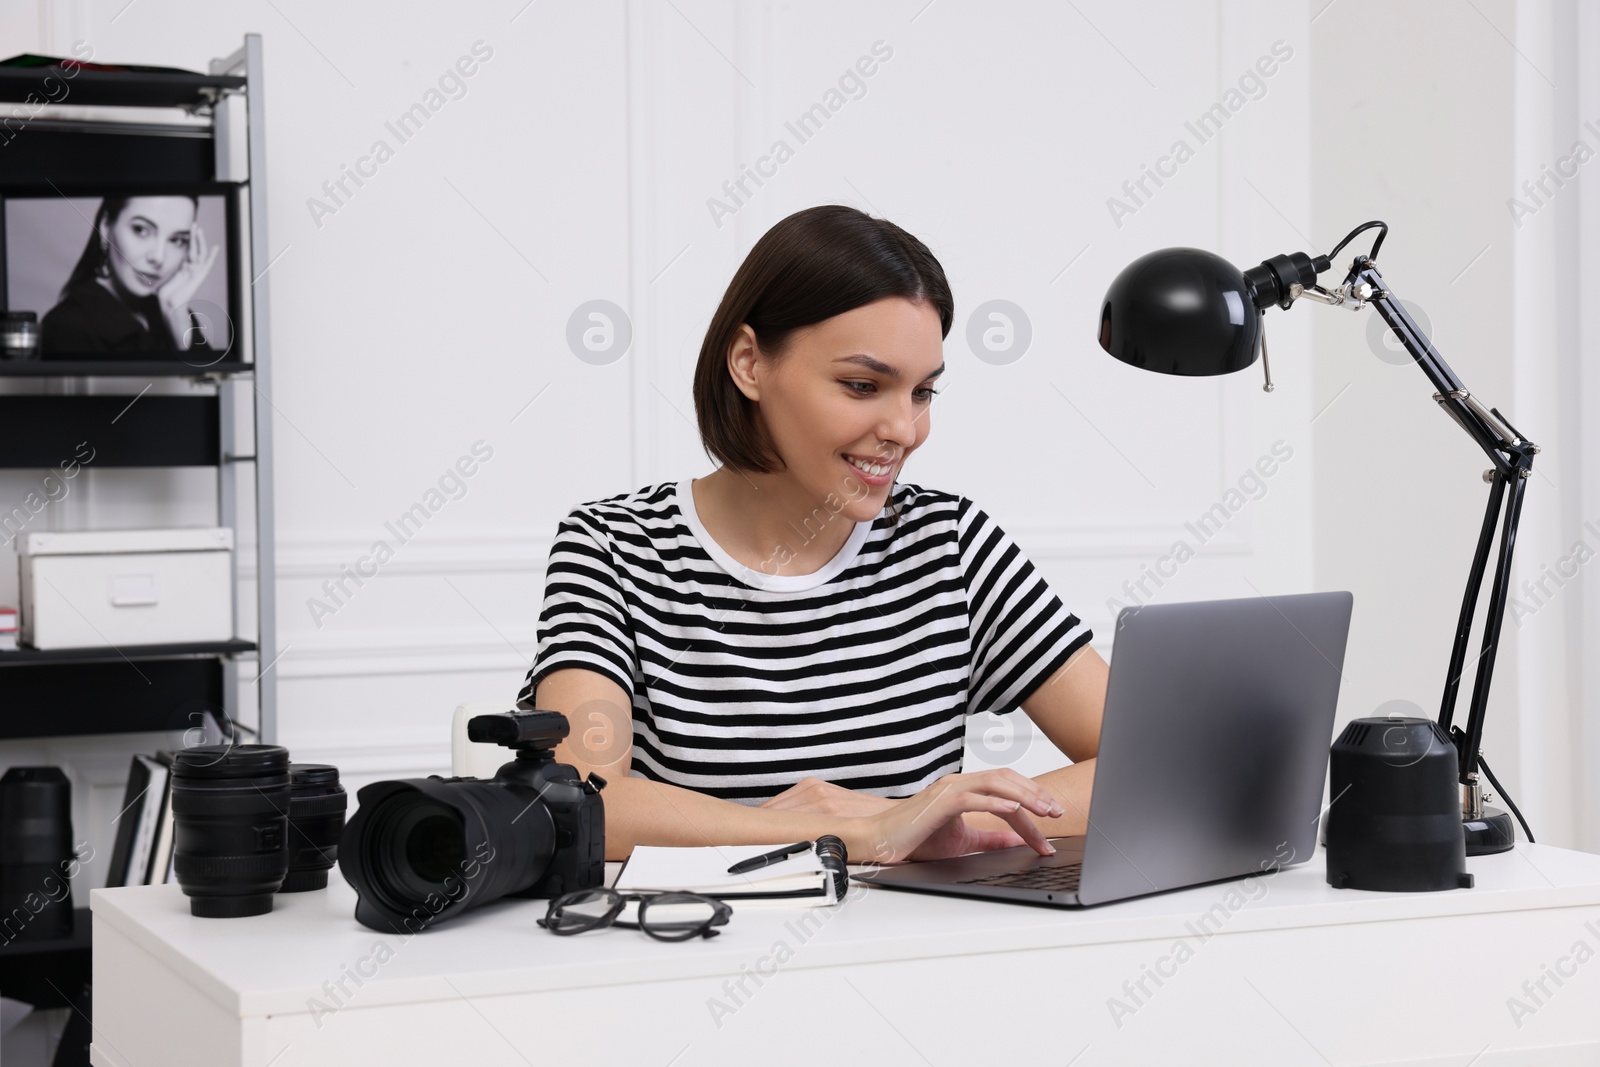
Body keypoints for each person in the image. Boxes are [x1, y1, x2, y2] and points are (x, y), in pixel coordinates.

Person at [520, 205, 1110, 866]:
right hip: (695, 951)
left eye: (923, 392)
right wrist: (858, 835)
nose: (903, 429)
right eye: (862, 385)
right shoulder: (613, 549)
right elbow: (583, 796)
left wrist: (926, 817)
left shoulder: (950, 545)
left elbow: (1148, 756)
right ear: (749, 363)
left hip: (921, 955)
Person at [39, 195, 221, 355]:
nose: (158, 257)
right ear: (106, 228)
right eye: (141, 230)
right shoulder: (66, 327)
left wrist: (178, 315)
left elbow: (214, 388)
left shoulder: (174, 310)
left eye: (176, 240)